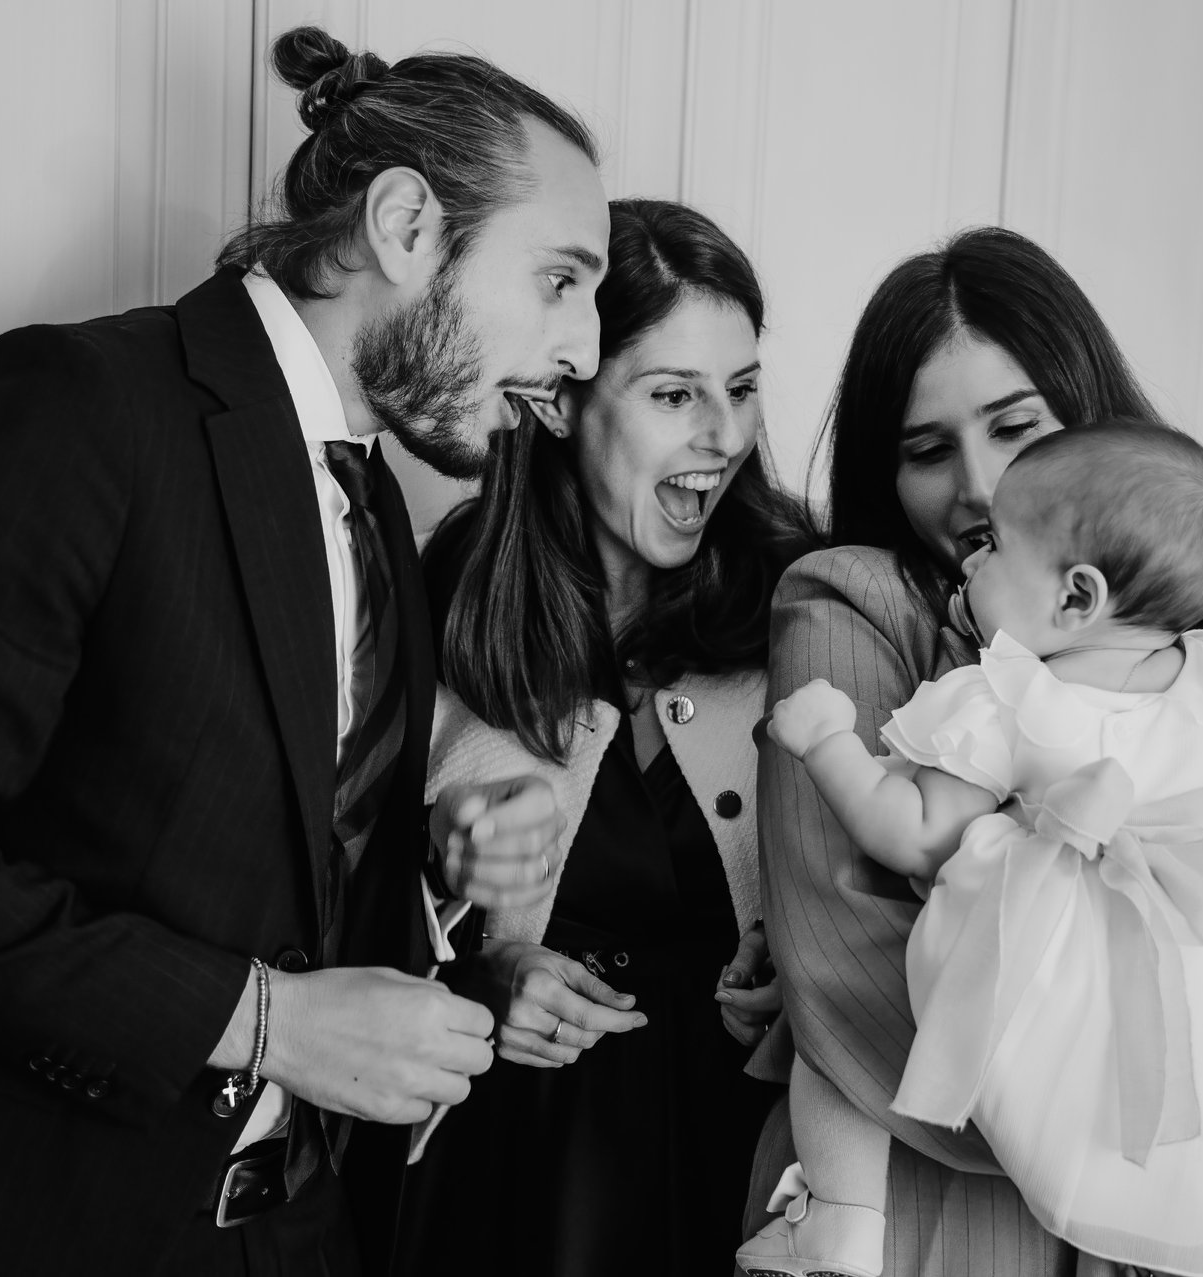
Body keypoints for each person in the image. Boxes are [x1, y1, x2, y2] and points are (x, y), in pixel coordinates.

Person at [0, 27, 608, 1277]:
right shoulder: (73, 405)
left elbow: (263, 869)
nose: (586, 351)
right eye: (561, 279)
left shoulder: (375, 505)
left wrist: (438, 887)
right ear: (403, 225)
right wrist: (263, 1024)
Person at [743, 227, 1203, 1277]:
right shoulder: (856, 607)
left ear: (1089, 415)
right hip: (958, 1236)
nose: (978, 487)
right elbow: (848, 978)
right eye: (928, 450)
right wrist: (1152, 1148)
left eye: (1016, 426)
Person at [392, 198, 817, 1277]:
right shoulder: (439, 602)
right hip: (514, 1178)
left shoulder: (807, 604)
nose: (723, 437)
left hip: (750, 1164)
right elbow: (346, 903)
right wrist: (481, 977)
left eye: (743, 389)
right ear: (562, 402)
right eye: (675, 394)